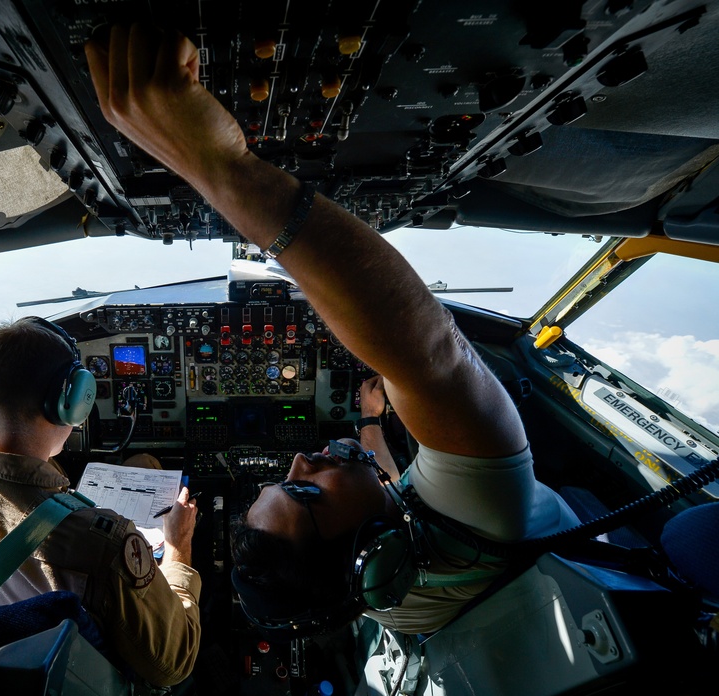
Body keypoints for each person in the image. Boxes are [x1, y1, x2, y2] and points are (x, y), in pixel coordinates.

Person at [83, 25, 580, 637]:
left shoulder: (381, 587)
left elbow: (391, 493)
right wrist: (223, 168)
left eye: (284, 481)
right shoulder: (485, 515)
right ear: (372, 554)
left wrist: (371, 421)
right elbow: (428, 352)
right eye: (307, 494)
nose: (297, 459)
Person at [0, 317, 201, 687]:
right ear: (73, 402)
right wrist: (178, 548)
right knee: (148, 468)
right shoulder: (101, 541)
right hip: (67, 687)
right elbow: (174, 663)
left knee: (140, 466)